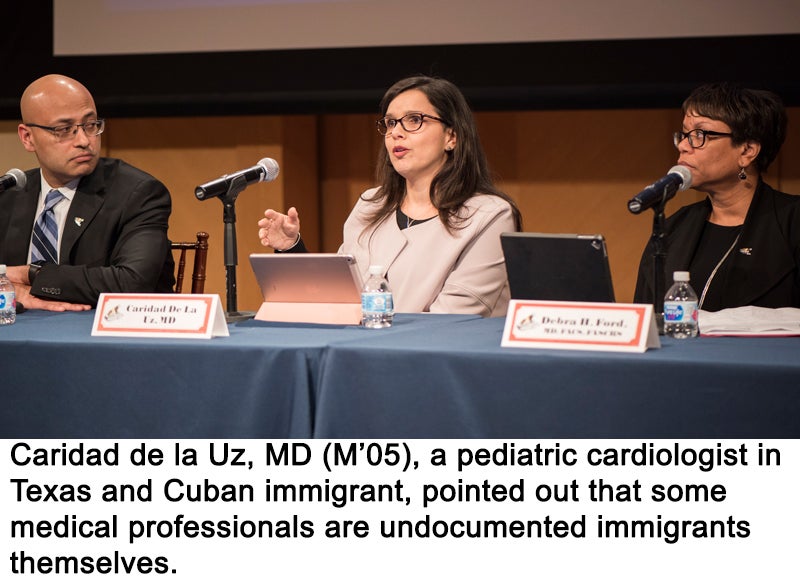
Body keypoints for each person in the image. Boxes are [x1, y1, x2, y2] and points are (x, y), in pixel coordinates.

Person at [258, 75, 521, 317]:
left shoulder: (489, 215)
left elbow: (454, 317)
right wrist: (292, 248)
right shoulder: (370, 205)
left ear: (451, 137)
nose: (396, 132)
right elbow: (339, 300)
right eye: (391, 122)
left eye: (414, 120)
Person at [0, 74, 175, 311]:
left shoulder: (138, 194)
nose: (84, 140)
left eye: (90, 125)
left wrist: (32, 276)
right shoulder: (8, 193)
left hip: (105, 337)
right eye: (64, 129)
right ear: (28, 138)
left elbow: (131, 283)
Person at [634, 82, 800, 311]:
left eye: (699, 134)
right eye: (684, 134)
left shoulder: (792, 223)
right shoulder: (672, 228)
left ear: (747, 151)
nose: (683, 145)